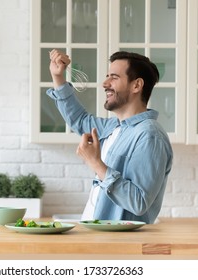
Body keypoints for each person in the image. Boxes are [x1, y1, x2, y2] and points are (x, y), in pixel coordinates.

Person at [47, 49, 173, 224]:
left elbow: (139, 202)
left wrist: (96, 164)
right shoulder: (114, 127)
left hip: (119, 245)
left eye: (114, 77)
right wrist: (58, 77)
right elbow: (79, 119)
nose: (105, 83)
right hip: (96, 236)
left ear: (136, 85)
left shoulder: (150, 136)